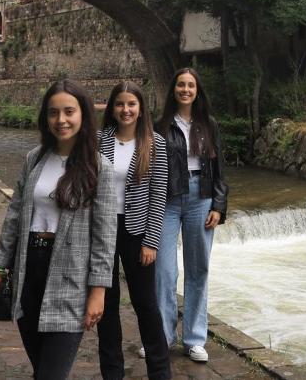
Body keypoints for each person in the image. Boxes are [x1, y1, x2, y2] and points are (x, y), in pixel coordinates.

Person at [0, 79, 117, 380]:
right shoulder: (35, 159)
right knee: (40, 366)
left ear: (82, 114)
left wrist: (98, 292)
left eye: (69, 111)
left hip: (70, 279)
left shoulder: (100, 168)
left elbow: (105, 238)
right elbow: (15, 217)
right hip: (29, 270)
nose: (61, 120)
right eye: (53, 113)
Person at [96, 82, 172, 380]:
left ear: (141, 109)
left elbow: (158, 195)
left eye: (131, 104)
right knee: (107, 306)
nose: (125, 110)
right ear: (112, 108)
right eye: (120, 104)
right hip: (103, 231)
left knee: (146, 305)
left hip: (137, 232)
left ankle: (160, 372)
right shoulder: (100, 141)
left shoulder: (155, 143)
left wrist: (151, 241)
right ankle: (112, 373)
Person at [155, 68, 228, 364]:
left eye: (190, 85)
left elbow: (220, 169)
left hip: (202, 195)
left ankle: (195, 339)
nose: (185, 89)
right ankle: (161, 337)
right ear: (173, 90)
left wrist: (218, 206)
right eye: (181, 85)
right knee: (163, 271)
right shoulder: (160, 125)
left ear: (197, 90)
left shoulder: (208, 124)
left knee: (198, 270)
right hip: (168, 199)